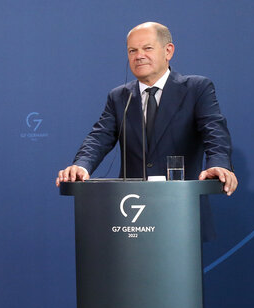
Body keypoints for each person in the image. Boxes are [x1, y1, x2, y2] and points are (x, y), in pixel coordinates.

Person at [56, 22, 237, 240]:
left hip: (179, 211)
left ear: (168, 51)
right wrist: (81, 166)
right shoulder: (119, 96)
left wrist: (218, 164)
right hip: (130, 216)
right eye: (132, 50)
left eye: (147, 48)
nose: (139, 56)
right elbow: (99, 137)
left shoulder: (197, 88)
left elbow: (214, 131)